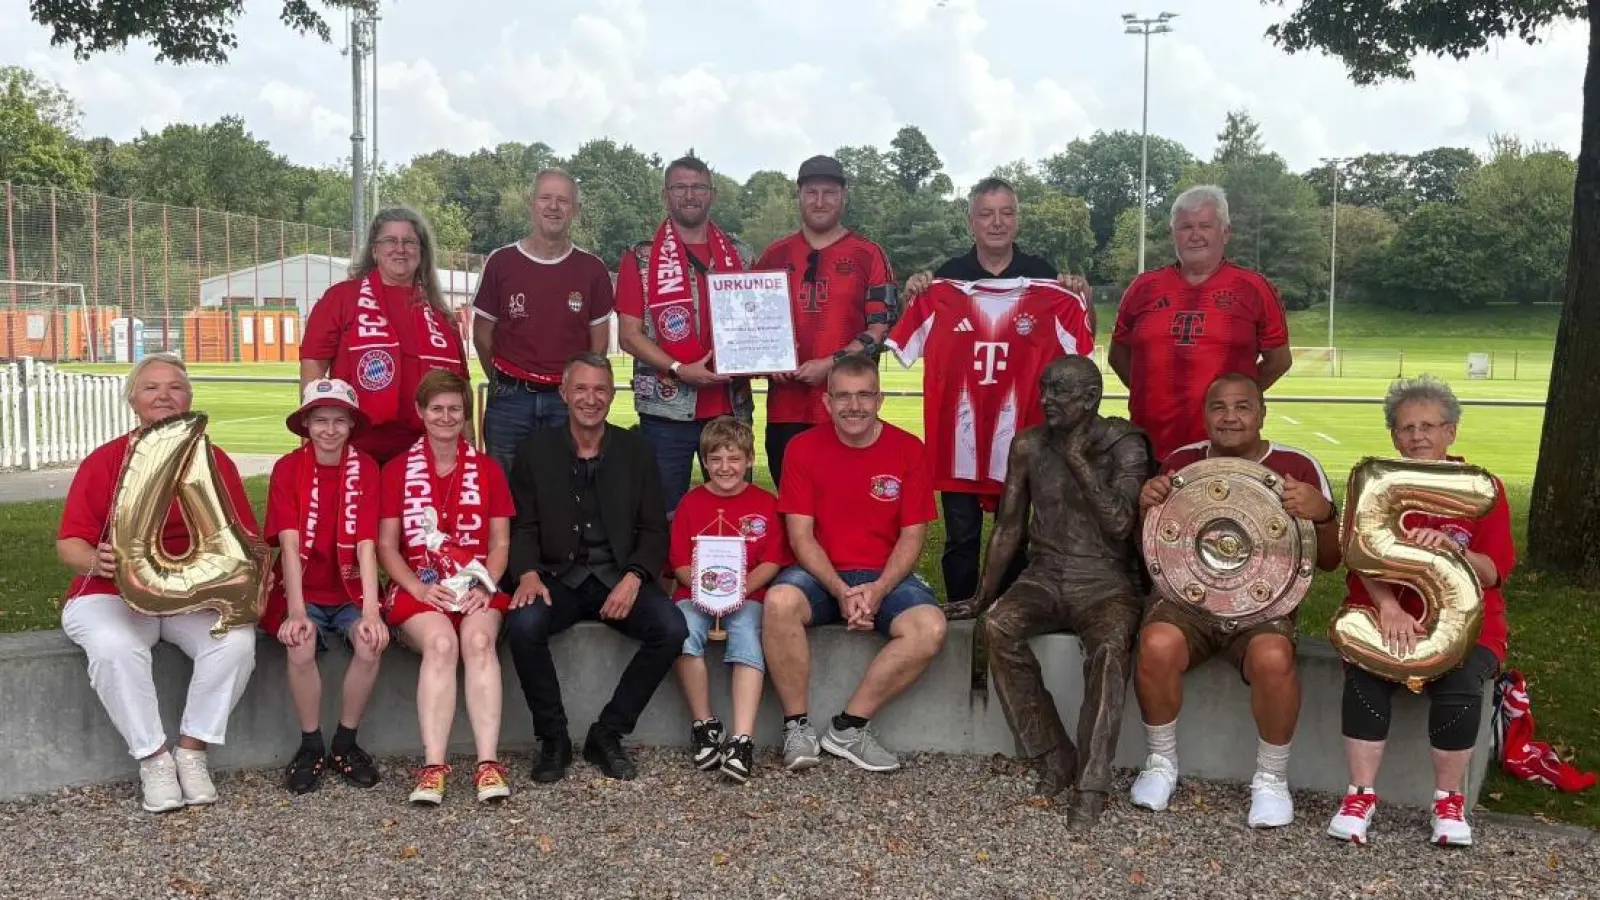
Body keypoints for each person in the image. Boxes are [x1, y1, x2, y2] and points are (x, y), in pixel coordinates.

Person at [944, 356, 1151, 826]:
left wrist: (1078, 460)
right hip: (1045, 573)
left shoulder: (1125, 444)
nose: (1047, 400)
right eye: (1044, 390)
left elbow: (1121, 523)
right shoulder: (1029, 445)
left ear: (1091, 398)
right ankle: (1053, 753)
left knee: (1110, 647)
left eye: (1060, 393)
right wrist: (982, 595)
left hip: (1104, 581)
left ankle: (1092, 783)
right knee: (997, 626)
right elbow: (1008, 527)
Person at [1129, 373, 1342, 828]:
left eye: (1242, 406)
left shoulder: (1297, 464)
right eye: (1218, 407)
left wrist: (1323, 514)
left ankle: (1271, 779)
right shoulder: (1181, 461)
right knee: (1157, 644)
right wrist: (1147, 507)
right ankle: (1161, 763)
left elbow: (1329, 560)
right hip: (1187, 600)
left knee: (1272, 656)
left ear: (1262, 413)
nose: (1230, 417)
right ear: (1204, 414)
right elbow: (1151, 550)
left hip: (1263, 606)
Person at [55, 353, 258, 813]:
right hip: (112, 592)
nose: (164, 395)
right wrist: (99, 559)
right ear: (133, 400)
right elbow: (69, 545)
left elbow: (243, 538)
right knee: (113, 646)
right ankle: (154, 760)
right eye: (151, 387)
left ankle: (192, 751)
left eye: (175, 387)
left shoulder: (215, 461)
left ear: (190, 399)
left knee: (236, 643)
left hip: (191, 595)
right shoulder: (105, 460)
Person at [1327, 375, 1514, 848]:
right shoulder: (1376, 484)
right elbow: (1358, 555)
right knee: (1366, 674)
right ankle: (1360, 795)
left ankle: (1448, 801)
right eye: (1406, 427)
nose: (1417, 437)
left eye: (1429, 426)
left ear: (1451, 431)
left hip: (1465, 627)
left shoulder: (1480, 487)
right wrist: (1388, 606)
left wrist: (1453, 550)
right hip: (1389, 616)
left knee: (1459, 676)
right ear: (1393, 435)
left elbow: (1492, 572)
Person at [900, 177, 1096, 609]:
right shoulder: (945, 280)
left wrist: (1081, 299)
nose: (997, 222)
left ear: (1017, 220)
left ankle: (1009, 625)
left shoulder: (1044, 277)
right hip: (961, 439)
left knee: (1021, 535)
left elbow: (1080, 353)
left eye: (1006, 213)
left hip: (1025, 437)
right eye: (987, 214)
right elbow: (908, 339)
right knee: (962, 537)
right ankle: (961, 627)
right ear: (971, 222)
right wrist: (914, 294)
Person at [504, 352, 687, 783]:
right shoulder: (535, 450)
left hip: (618, 576)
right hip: (556, 577)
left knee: (673, 630)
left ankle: (608, 732)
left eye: (600, 389)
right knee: (523, 626)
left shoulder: (636, 450)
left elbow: (653, 530)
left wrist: (636, 576)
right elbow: (522, 525)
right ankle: (553, 738)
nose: (591, 398)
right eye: (581, 389)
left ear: (612, 395)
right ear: (564, 393)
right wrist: (527, 572)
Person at [763, 354, 946, 774]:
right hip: (820, 573)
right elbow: (800, 536)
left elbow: (913, 535)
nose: (854, 406)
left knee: (930, 628)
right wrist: (841, 591)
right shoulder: (802, 449)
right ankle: (797, 728)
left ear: (880, 399)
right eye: (843, 396)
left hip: (886, 576)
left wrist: (878, 589)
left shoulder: (908, 449)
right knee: (779, 602)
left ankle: (848, 728)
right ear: (826, 403)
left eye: (864, 395)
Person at [377, 370, 515, 806]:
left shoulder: (487, 469)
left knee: (477, 640)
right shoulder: (399, 470)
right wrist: (418, 588)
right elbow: (386, 545)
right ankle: (433, 766)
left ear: (465, 414)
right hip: (423, 588)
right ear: (420, 412)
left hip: (476, 585)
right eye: (436, 408)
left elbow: (500, 542)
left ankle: (488, 763)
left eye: (455, 408)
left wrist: (484, 585)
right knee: (440, 643)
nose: (446, 416)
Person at [261, 378, 388, 794]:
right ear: (306, 425)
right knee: (300, 641)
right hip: (302, 590)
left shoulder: (366, 468)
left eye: (338, 421)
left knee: (371, 642)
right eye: (320, 420)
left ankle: (345, 743)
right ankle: (311, 745)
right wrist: (296, 611)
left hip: (350, 591)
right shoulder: (288, 468)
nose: (330, 430)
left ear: (351, 425)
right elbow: (289, 542)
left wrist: (371, 611)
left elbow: (367, 544)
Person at [1109, 185, 1294, 462]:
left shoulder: (1253, 288)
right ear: (1174, 234)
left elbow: (1278, 361)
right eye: (1185, 227)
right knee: (1150, 507)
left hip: (1223, 451)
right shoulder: (1143, 287)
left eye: (1205, 226)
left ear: (1226, 232)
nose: (1195, 236)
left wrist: (1235, 399)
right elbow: (1118, 355)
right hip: (1149, 448)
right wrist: (1153, 392)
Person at [615, 156, 754, 514]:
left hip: (730, 408)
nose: (689, 195)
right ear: (665, 195)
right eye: (680, 187)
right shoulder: (640, 258)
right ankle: (665, 573)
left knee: (735, 511)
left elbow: (759, 323)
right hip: (666, 412)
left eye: (698, 187)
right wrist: (679, 367)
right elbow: (629, 336)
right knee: (663, 514)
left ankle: (737, 573)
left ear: (713, 194)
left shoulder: (741, 255)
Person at [752, 155, 897, 486]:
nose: (820, 201)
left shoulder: (868, 254)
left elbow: (881, 328)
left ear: (844, 197)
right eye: (811, 192)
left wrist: (831, 364)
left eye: (829, 192)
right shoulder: (774, 255)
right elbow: (750, 326)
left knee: (849, 511)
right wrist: (764, 357)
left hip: (849, 408)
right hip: (785, 410)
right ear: (799, 196)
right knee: (794, 514)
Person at [667, 417, 788, 783]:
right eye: (715, 459)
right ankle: (705, 724)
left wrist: (739, 589)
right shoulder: (691, 503)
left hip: (747, 594)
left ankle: (742, 738)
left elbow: (772, 560)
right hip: (697, 594)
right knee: (681, 630)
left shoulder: (766, 504)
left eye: (733, 459)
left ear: (750, 460)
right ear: (704, 462)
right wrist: (706, 591)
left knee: (748, 633)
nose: (725, 468)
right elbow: (680, 563)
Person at [301, 206, 470, 464]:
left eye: (409, 242)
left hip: (428, 453)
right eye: (390, 240)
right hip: (357, 447)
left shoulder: (440, 314)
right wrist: (310, 437)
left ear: (421, 252)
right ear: (374, 249)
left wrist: (469, 448)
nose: (400, 249)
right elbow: (313, 366)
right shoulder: (342, 298)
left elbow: (460, 386)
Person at [473, 169, 616, 474]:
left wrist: (575, 391)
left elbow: (598, 345)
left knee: (567, 495)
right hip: (511, 400)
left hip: (565, 404)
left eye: (563, 200)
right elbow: (482, 335)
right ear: (531, 203)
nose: (554, 206)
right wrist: (502, 382)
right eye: (545, 198)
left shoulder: (593, 269)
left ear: (575, 209)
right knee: (504, 496)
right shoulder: (501, 262)